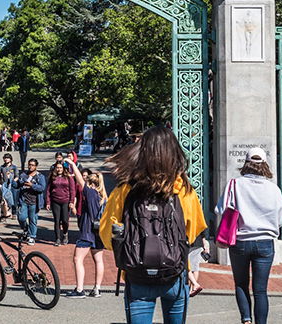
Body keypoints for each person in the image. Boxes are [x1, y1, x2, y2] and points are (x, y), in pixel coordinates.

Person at [99, 126, 207, 323]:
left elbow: (107, 235)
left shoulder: (126, 189)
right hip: (174, 272)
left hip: (137, 273)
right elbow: (193, 231)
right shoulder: (183, 189)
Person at [215, 147, 282, 324]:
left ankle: (246, 320)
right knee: (260, 290)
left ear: (246, 163)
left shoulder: (235, 184)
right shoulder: (274, 189)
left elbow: (220, 210)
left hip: (241, 241)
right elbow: (280, 220)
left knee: (241, 284)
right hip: (265, 243)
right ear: (264, 164)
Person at [65, 158, 107, 297]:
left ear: (90, 183)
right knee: (98, 260)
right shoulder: (103, 196)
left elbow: (79, 181)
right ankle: (97, 289)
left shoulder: (90, 193)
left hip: (87, 231)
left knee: (77, 259)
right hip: (99, 231)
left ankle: (79, 289)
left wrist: (72, 164)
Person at [14, 158, 46, 245]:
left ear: (36, 166)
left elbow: (42, 188)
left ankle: (32, 236)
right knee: (21, 217)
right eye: (29, 165)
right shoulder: (23, 175)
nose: (30, 167)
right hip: (23, 200)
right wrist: (12, 180)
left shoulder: (40, 176)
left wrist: (32, 185)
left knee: (33, 220)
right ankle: (25, 229)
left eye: (32, 165)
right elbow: (17, 185)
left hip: (34, 202)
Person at [45, 161, 75, 246]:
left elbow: (72, 190)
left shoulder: (68, 177)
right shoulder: (52, 177)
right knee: (57, 220)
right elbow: (48, 190)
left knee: (65, 220)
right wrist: (48, 202)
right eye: (57, 168)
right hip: (55, 201)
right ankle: (57, 238)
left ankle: (65, 233)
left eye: (60, 167)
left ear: (63, 168)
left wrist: (72, 201)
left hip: (66, 201)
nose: (59, 169)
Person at [0, 153, 18, 219]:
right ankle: (3, 214)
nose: (6, 159)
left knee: (13, 199)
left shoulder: (14, 167)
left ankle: (14, 213)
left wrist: (13, 182)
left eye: (7, 158)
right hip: (4, 186)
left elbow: (17, 176)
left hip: (12, 186)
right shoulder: (1, 167)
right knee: (3, 200)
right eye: (5, 158)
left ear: (10, 159)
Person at [188, 232, 209, 297]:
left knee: (191, 267)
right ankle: (192, 288)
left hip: (192, 244)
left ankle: (193, 287)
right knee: (194, 267)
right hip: (198, 244)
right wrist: (204, 245)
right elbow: (203, 233)